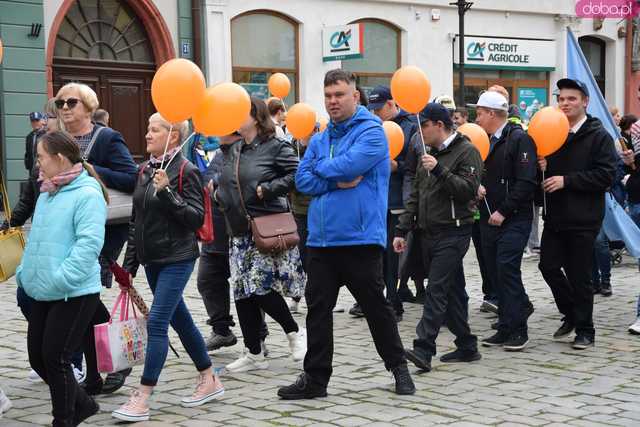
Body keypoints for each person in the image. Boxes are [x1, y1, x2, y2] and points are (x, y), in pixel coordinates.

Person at [278, 69, 415, 399]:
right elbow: (303, 180)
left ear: (355, 96)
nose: (332, 101)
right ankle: (315, 380)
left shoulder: (372, 132)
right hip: (322, 240)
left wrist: (324, 171)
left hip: (359, 239)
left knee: (375, 308)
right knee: (318, 312)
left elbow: (348, 166)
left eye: (339, 95)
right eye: (327, 96)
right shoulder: (322, 137)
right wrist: (333, 179)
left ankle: (399, 367)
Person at [113, 113, 224, 422]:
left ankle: (143, 396)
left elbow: (194, 219)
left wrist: (168, 192)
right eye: (148, 128)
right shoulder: (144, 169)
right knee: (181, 320)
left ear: (174, 136)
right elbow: (137, 221)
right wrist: (129, 267)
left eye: (155, 129)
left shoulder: (185, 171)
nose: (147, 134)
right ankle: (210, 378)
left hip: (178, 257)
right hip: (152, 260)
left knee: (158, 323)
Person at [16, 130, 108, 427]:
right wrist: (25, 272)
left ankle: (64, 419)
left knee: (56, 357)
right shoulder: (48, 190)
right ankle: (83, 405)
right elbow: (38, 239)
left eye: (41, 157)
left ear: (58, 158)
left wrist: (61, 276)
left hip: (74, 291)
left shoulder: (87, 194)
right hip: (43, 289)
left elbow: (88, 245)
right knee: (38, 358)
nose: (37, 164)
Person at [55, 82, 138, 394]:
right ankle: (86, 364)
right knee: (76, 295)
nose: (64, 108)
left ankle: (109, 359)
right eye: (60, 102)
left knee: (82, 294)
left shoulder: (106, 138)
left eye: (71, 102)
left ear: (88, 106)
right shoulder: (56, 140)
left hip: (103, 229)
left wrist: (91, 169)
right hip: (65, 229)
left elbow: (131, 178)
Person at [215, 97, 306, 373]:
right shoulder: (234, 149)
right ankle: (254, 352)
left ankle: (295, 332)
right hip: (238, 230)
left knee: (259, 288)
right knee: (242, 292)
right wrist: (219, 194)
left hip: (264, 227)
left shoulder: (276, 146)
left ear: (255, 116)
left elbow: (298, 175)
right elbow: (229, 183)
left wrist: (269, 188)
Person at [395, 102, 482, 370]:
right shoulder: (428, 155)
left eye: (424, 126)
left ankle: (424, 349)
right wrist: (402, 229)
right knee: (452, 291)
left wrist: (440, 170)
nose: (419, 132)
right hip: (428, 233)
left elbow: (467, 190)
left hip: (455, 232)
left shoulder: (467, 151)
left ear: (439, 125)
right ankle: (467, 346)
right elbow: (416, 196)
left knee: (436, 289)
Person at [538, 78, 616, 350]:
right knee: (547, 265)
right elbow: (547, 173)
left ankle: (586, 330)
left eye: (571, 99)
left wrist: (567, 181)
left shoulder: (599, 135)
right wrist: (543, 167)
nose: (565, 103)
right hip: (555, 216)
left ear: (585, 102)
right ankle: (571, 313)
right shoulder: (554, 132)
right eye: (561, 98)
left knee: (579, 274)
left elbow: (606, 176)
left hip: (584, 218)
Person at [473, 91, 537, 351]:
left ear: (491, 113)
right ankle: (505, 325)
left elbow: (526, 182)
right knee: (495, 273)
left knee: (507, 269)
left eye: (478, 113)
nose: (475, 118)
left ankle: (519, 329)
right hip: (489, 218)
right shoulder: (485, 140)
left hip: (514, 218)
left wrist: (504, 211)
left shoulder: (519, 139)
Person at [360, 85, 417, 318]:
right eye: (372, 109)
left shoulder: (411, 127)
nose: (376, 113)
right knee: (378, 254)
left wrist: (398, 166)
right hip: (377, 200)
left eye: (379, 108)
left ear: (392, 104)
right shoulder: (374, 126)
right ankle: (381, 298)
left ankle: (395, 301)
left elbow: (415, 168)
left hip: (399, 201)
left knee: (393, 256)